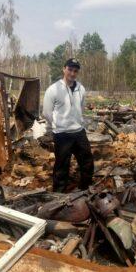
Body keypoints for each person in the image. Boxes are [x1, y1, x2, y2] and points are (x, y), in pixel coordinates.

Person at [42, 58, 94, 192]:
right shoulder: (53, 90)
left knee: (87, 162)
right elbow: (47, 112)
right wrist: (56, 126)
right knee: (62, 165)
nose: (72, 73)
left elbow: (81, 108)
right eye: (70, 69)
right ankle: (59, 194)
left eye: (75, 71)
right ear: (64, 69)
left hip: (78, 132)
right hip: (62, 134)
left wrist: (78, 122)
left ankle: (85, 188)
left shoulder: (80, 89)